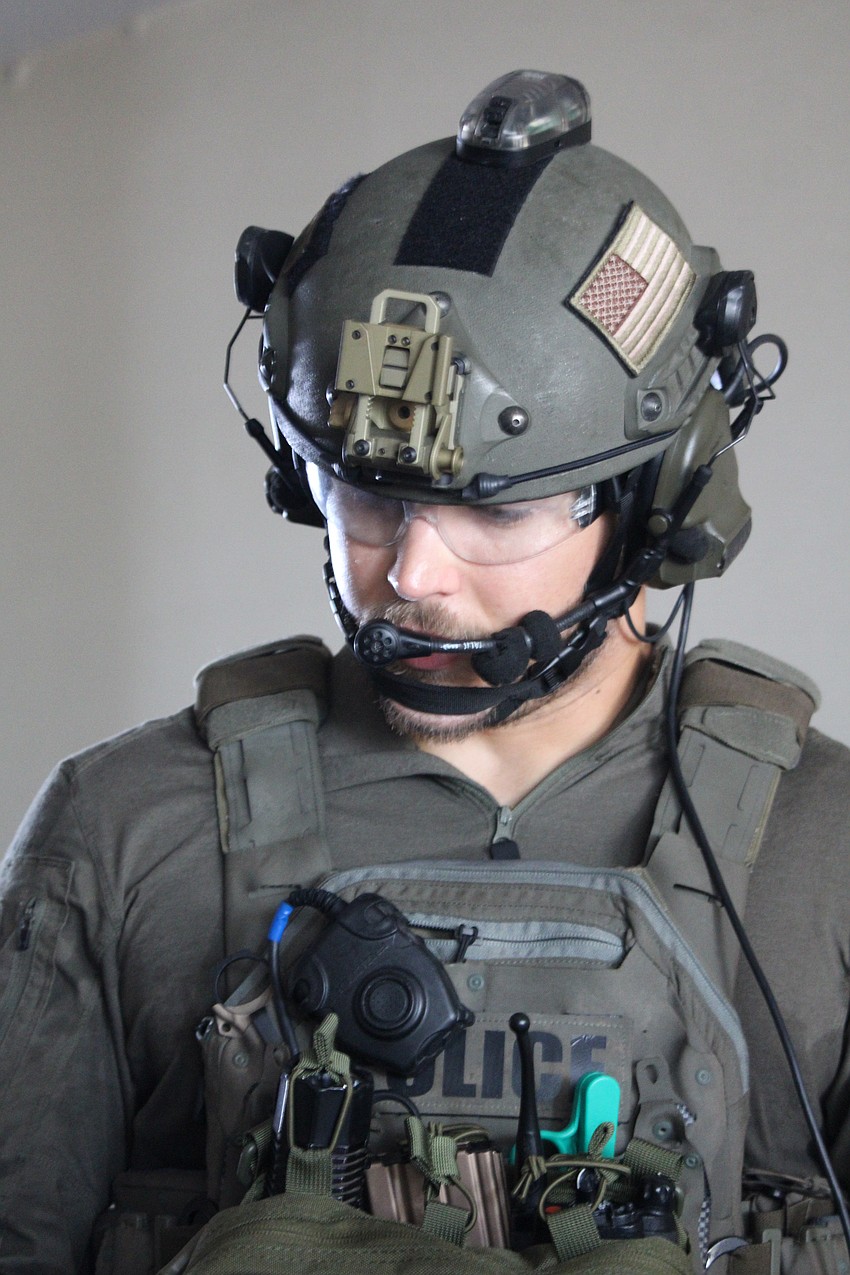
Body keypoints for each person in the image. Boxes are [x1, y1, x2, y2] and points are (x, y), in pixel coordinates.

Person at [1, 70, 848, 1275]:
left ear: (655, 506)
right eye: (367, 497)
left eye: (493, 513)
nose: (413, 577)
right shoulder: (124, 832)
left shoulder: (829, 856)